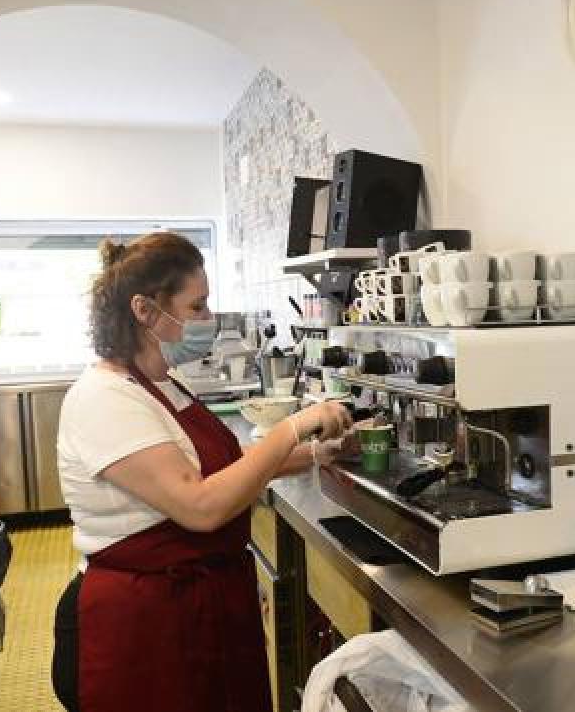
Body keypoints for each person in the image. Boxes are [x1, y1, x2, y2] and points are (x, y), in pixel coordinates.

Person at [51, 232, 354, 712]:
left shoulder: (163, 385)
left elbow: (233, 469)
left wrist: (319, 455)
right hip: (146, 623)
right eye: (197, 307)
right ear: (145, 311)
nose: (208, 320)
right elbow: (201, 506)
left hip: (203, 608)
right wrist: (291, 430)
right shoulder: (104, 398)